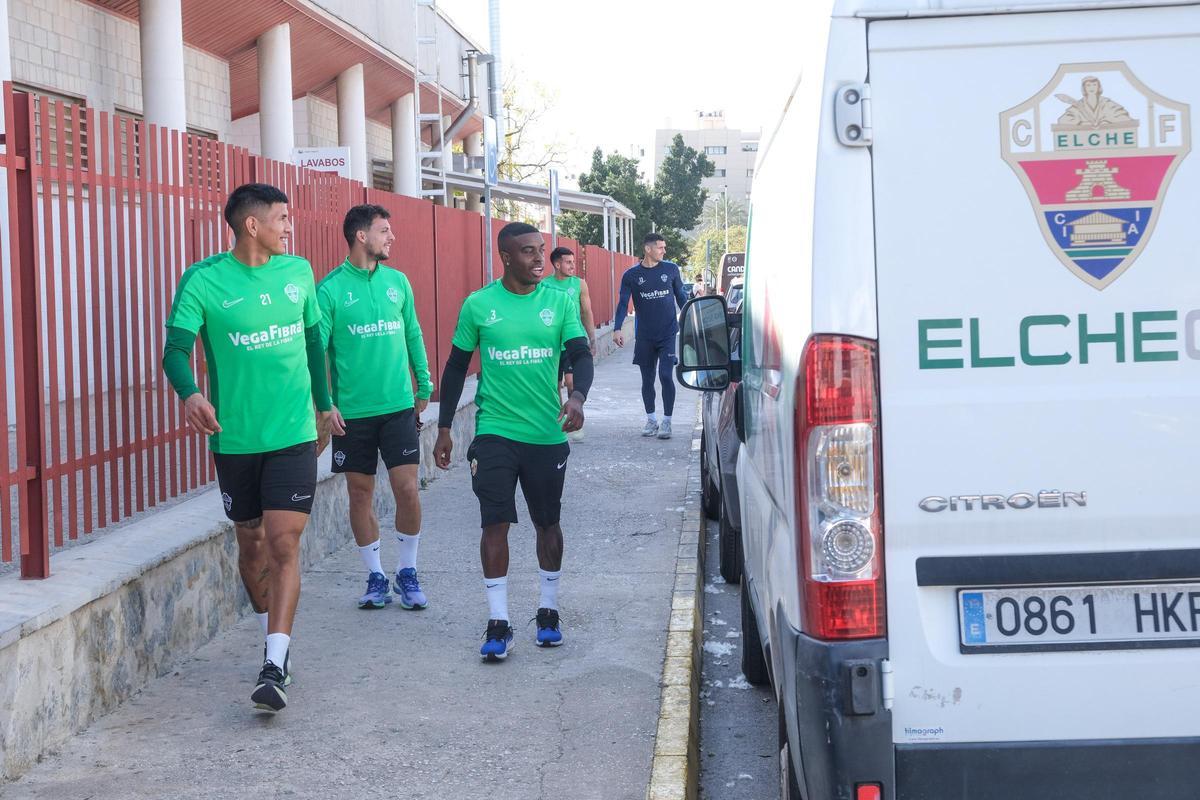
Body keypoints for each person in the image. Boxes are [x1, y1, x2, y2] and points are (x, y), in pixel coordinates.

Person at [162, 183, 342, 713]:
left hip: (293, 436)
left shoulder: (299, 273)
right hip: (235, 439)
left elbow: (313, 342)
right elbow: (175, 350)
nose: (291, 227)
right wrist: (190, 393)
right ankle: (273, 635)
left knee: (284, 545)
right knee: (251, 544)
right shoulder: (203, 280)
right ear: (252, 225)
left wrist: (324, 404)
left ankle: (274, 661)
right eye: (283, 218)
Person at [433, 222, 594, 662]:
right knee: (494, 524)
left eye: (541, 250)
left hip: (546, 432)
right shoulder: (479, 305)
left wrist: (577, 395)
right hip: (495, 432)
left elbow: (581, 354)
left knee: (548, 524)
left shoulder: (558, 303)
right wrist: (444, 427)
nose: (539, 259)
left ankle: (548, 611)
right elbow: (454, 368)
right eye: (528, 252)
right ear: (506, 257)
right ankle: (498, 622)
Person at [318, 204, 433, 612]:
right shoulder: (329, 290)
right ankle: (376, 576)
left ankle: (407, 571)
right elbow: (318, 350)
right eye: (385, 231)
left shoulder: (397, 282)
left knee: (407, 489)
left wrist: (425, 381)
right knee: (360, 493)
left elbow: (413, 334)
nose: (392, 237)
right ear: (361, 236)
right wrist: (325, 405)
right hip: (353, 414)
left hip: (399, 406)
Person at [613, 232, 689, 439]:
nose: (664, 251)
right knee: (647, 380)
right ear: (648, 249)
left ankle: (667, 422)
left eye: (664, 247)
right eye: (660, 247)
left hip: (668, 333)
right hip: (645, 335)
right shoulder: (631, 275)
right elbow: (622, 303)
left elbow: (681, 296)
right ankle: (651, 420)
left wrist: (692, 318)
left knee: (665, 375)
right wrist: (617, 328)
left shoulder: (671, 269)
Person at [544, 245, 597, 441]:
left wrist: (592, 338)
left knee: (571, 381)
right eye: (568, 262)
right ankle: (560, 420)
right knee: (554, 384)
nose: (573, 266)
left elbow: (586, 312)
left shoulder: (579, 284)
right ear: (557, 264)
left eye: (574, 262)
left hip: (573, 340)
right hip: (551, 342)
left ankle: (574, 416)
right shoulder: (544, 285)